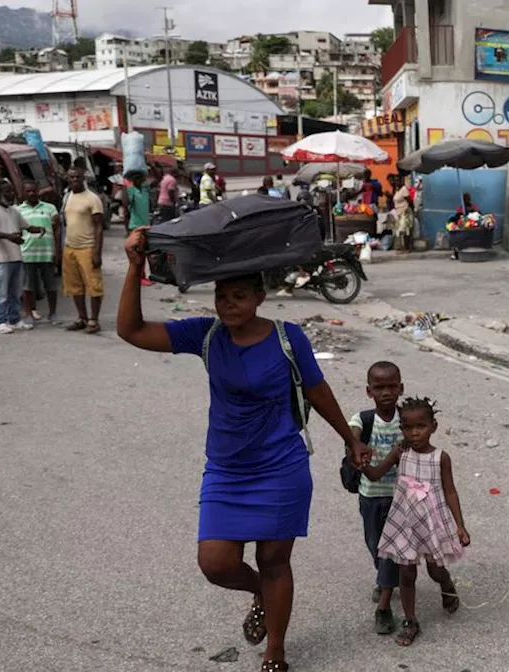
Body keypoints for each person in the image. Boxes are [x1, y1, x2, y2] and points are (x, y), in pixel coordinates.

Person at [116, 228, 371, 672]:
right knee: (215, 563)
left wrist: (351, 440)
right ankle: (259, 593)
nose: (227, 304)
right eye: (221, 295)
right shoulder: (205, 335)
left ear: (259, 298)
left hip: (281, 468)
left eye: (238, 296)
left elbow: (317, 391)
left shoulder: (288, 338)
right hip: (227, 472)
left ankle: (276, 648)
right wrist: (135, 266)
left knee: (274, 560)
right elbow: (131, 331)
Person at [372, 397, 470, 647]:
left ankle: (446, 584)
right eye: (407, 427)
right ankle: (411, 621)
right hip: (405, 524)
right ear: (401, 428)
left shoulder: (441, 458)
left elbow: (450, 491)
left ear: (433, 426)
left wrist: (460, 525)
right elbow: (376, 473)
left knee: (435, 569)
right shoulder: (400, 452)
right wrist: (359, 461)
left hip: (431, 523)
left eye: (421, 426)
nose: (414, 433)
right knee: (407, 574)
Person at [348, 361, 405, 635]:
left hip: (401, 497)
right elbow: (353, 437)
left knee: (390, 550)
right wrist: (355, 444)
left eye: (392, 386)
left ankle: (383, 606)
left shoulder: (407, 419)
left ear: (401, 388)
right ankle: (384, 579)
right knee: (375, 545)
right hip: (371, 497)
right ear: (369, 391)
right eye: (379, 387)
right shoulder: (363, 419)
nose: (386, 392)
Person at [0, 182, 38, 334]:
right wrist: (9, 237)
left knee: (15, 292)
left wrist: (39, 229)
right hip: (0, 259)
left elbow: (27, 226)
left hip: (16, 257)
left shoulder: (14, 211)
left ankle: (14, 319)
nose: (11, 194)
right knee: (1, 293)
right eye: (7, 191)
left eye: (12, 191)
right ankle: (0, 321)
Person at [61, 168, 106, 335]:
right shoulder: (67, 196)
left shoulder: (93, 199)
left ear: (83, 178)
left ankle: (94, 320)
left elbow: (99, 227)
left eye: (77, 177)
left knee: (94, 286)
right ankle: (82, 318)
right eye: (71, 177)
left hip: (87, 248)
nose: (74, 180)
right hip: (70, 247)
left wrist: (96, 252)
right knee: (75, 287)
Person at [17, 181, 61, 326]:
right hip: (27, 253)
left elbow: (57, 229)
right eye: (28, 191)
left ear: (38, 191)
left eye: (33, 191)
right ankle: (28, 314)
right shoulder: (18, 210)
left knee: (51, 286)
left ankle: (53, 314)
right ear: (23, 193)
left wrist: (57, 250)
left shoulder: (50, 208)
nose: (31, 193)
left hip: (47, 253)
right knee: (27, 287)